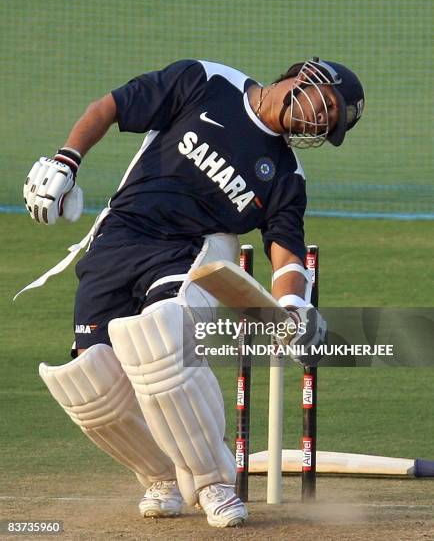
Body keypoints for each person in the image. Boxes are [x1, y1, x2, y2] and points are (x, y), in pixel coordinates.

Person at [21, 57, 364, 528]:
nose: (322, 119)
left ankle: (213, 483)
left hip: (189, 249)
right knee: (87, 380)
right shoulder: (206, 81)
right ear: (303, 76)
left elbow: (285, 253)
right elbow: (110, 107)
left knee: (158, 341)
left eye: (330, 121)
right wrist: (66, 159)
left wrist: (293, 303)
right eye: (325, 104)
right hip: (120, 233)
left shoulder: (285, 174)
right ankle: (161, 476)